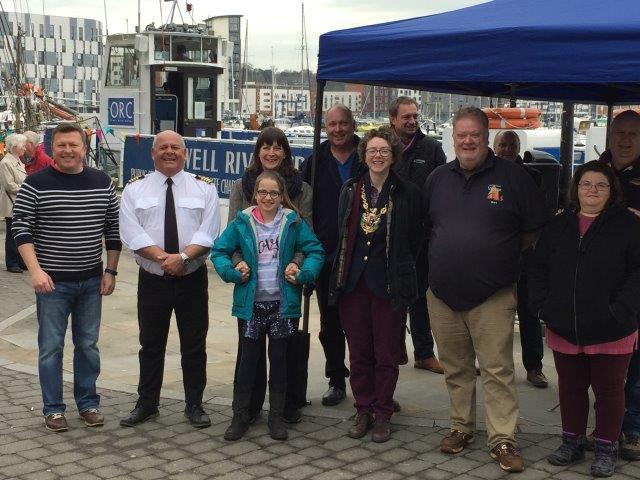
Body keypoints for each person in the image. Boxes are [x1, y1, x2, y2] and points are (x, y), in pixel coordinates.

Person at [423, 107, 546, 472]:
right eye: (461, 135)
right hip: (443, 295)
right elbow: (428, 228)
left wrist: (497, 256)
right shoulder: (437, 178)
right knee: (457, 369)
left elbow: (534, 229)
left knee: (496, 370)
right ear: (453, 138)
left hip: (492, 295)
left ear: (486, 135)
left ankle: (503, 439)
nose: (467, 141)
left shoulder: (514, 178)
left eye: (474, 134)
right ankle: (461, 427)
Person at [528, 161, 640, 477]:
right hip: (565, 324)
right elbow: (537, 268)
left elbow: (637, 272)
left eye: (600, 185)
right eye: (586, 184)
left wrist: (621, 309)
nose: (592, 190)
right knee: (571, 388)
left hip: (612, 327)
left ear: (611, 190)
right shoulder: (558, 224)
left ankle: (606, 447)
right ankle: (572, 441)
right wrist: (542, 306)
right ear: (576, 188)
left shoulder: (628, 225)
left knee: (609, 391)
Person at [12, 123, 121, 432]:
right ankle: (53, 409)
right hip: (52, 283)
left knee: (87, 345)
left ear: (84, 148)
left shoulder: (102, 182)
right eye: (62, 145)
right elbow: (20, 229)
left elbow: (112, 230)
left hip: (90, 281)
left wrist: (110, 270)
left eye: (74, 145)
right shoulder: (35, 183)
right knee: (51, 347)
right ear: (52, 148)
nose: (68, 150)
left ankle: (88, 403)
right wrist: (35, 270)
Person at [119, 130, 221, 429]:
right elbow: (131, 232)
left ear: (185, 153)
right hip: (152, 279)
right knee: (150, 345)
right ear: (152, 153)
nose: (169, 152)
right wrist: (166, 259)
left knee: (194, 345)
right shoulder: (135, 189)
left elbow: (209, 230)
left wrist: (184, 258)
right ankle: (147, 404)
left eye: (175, 147)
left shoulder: (204, 189)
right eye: (162, 147)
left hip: (191, 279)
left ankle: (195, 405)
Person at [212, 170, 323, 441]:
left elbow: (315, 250)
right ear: (255, 194)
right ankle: (240, 416)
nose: (268, 197)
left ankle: (277, 416)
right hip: (251, 306)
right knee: (247, 363)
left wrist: (302, 271)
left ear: (281, 195)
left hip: (281, 306)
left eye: (274, 193)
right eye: (263, 192)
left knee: (280, 362)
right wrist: (233, 271)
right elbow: (219, 251)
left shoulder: (293, 221)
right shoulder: (242, 221)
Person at [329, 126, 422, 443]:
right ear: (364, 155)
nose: (378, 156)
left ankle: (383, 413)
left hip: (389, 285)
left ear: (393, 155)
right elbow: (343, 236)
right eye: (372, 151)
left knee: (386, 354)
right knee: (359, 354)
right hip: (354, 284)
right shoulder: (350, 189)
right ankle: (363, 409)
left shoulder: (407, 192)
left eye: (384, 151)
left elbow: (415, 240)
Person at [228, 126, 312, 423]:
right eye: (266, 147)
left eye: (278, 147)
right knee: (248, 352)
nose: (272, 152)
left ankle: (285, 406)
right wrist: (238, 265)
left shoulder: (302, 189)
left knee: (283, 352)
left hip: (285, 285)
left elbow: (306, 238)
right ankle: (248, 408)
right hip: (251, 284)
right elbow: (232, 238)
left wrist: (297, 265)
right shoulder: (242, 186)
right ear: (258, 151)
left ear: (286, 152)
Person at [300, 105, 365, 407]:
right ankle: (336, 379)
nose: (338, 129)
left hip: (363, 255)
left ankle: (371, 383)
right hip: (325, 256)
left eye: (343, 124)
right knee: (330, 323)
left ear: (353, 125)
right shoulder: (315, 160)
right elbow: (301, 207)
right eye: (332, 124)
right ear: (325, 127)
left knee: (364, 324)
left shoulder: (368, 156)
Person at [389, 96, 446, 374]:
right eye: (406, 117)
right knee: (392, 295)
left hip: (424, 236)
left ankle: (424, 352)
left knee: (420, 294)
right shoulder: (383, 148)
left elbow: (445, 189)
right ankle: (396, 349)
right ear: (393, 120)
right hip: (390, 234)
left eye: (414, 116)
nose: (412, 121)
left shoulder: (432, 149)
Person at [598, 109, 640, 461]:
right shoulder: (596, 173)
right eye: (619, 133)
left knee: (637, 366)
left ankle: (633, 429)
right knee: (606, 365)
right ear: (609, 136)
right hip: (602, 285)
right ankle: (605, 428)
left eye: (633, 135)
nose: (625, 141)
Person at [493, 130, 548, 388]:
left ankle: (534, 367)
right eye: (501, 145)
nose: (506, 149)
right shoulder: (486, 175)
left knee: (529, 314)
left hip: (525, 257)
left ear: (518, 147)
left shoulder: (532, 176)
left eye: (511, 145)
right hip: (494, 258)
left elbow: (537, 215)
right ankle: (493, 364)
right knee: (494, 315)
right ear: (494, 147)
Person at [0, 133, 27, 272]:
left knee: (20, 232)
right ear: (15, 146)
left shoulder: (17, 160)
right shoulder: (6, 162)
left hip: (20, 202)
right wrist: (27, 189)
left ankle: (20, 261)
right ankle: (12, 263)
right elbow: (9, 185)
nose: (25, 148)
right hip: (12, 204)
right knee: (12, 234)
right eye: (23, 145)